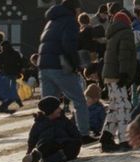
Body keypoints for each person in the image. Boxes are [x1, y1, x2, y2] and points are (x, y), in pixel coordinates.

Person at [38, 0, 96, 144]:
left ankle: (46, 135)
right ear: (74, 9)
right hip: (60, 66)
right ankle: (83, 133)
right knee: (79, 101)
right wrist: (76, 64)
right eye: (78, 10)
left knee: (48, 105)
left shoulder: (51, 21)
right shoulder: (69, 21)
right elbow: (69, 44)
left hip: (44, 66)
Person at [99, 12, 137, 153]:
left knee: (115, 107)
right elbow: (125, 55)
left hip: (109, 76)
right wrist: (124, 74)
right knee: (123, 107)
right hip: (118, 75)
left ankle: (106, 138)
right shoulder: (126, 33)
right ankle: (124, 139)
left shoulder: (113, 34)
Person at [21, 96, 83, 162]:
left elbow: (74, 132)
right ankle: (33, 158)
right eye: (57, 108)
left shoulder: (63, 120)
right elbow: (33, 138)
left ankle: (45, 161)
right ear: (50, 111)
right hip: (48, 145)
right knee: (43, 147)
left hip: (64, 144)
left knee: (73, 146)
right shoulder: (40, 123)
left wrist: (77, 140)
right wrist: (29, 151)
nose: (60, 109)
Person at [0, 41, 25, 110]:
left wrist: (0, 71)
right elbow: (20, 63)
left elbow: (0, 65)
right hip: (14, 73)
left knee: (9, 89)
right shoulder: (15, 53)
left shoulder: (2, 54)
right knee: (12, 88)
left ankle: (11, 103)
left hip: (6, 73)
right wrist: (19, 70)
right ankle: (18, 102)